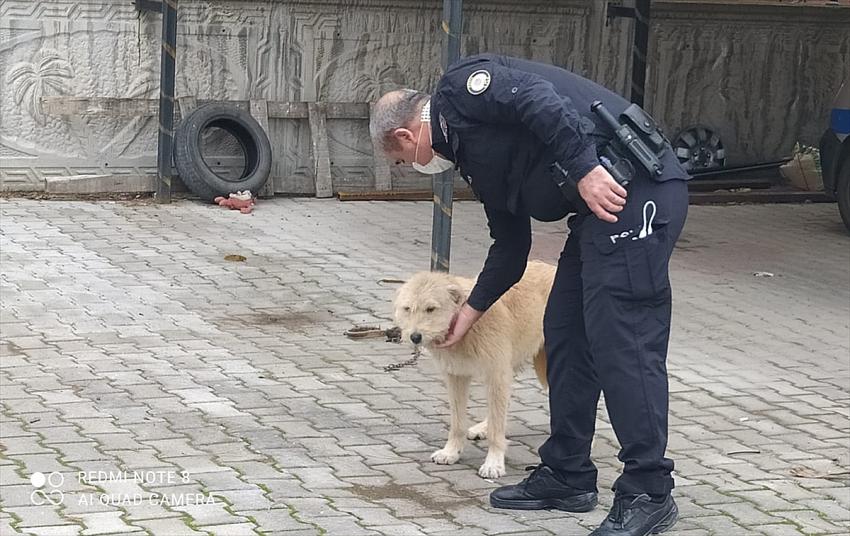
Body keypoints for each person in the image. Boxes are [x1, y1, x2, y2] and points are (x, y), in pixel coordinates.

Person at [370, 53, 689, 536]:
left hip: (637, 189)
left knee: (624, 342)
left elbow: (540, 100)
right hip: (598, 210)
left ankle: (649, 491)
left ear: (404, 136)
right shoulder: (470, 154)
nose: (407, 167)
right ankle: (567, 474)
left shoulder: (462, 90)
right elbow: (510, 244)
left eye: (399, 161)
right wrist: (469, 313)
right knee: (564, 332)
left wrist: (583, 169)